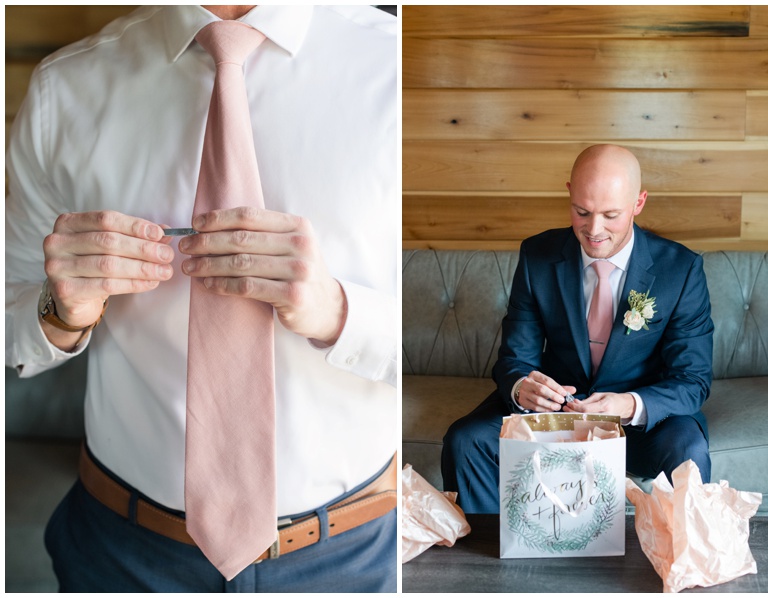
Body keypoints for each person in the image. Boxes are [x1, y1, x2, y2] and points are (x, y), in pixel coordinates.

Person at [5, 5, 397, 592]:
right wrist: (59, 313)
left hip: (351, 557)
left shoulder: (391, 66)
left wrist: (338, 313)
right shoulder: (66, 90)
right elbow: (10, 315)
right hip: (122, 555)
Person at [442, 144, 714, 514]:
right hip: (554, 415)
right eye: (582, 212)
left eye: (610, 215)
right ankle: (493, 555)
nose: (594, 230)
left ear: (639, 203)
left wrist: (630, 404)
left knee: (688, 451)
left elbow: (693, 379)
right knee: (466, 440)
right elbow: (513, 359)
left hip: (641, 422)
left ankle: (680, 561)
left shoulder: (680, 270)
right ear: (569, 192)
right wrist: (524, 389)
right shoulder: (537, 255)